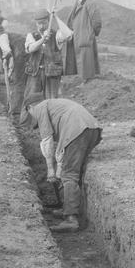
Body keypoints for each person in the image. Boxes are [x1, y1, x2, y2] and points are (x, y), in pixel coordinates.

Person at [20, 93, 102, 232]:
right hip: (92, 129)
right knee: (74, 170)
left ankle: (71, 219)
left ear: (29, 108)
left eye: (30, 119)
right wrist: (58, 169)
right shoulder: (55, 106)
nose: (34, 125)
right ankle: (70, 208)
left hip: (77, 130)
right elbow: (62, 152)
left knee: (69, 174)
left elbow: (47, 141)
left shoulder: (39, 108)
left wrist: (51, 170)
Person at [65, 0, 102, 83]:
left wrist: (90, 34)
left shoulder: (90, 3)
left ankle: (88, 82)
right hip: (78, 37)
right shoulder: (77, 3)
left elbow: (97, 22)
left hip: (85, 37)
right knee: (82, 62)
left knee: (87, 62)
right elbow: (72, 19)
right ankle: (85, 82)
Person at [23, 8, 64, 101]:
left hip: (52, 73)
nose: (41, 26)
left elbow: (68, 35)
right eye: (39, 23)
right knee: (30, 99)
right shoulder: (31, 35)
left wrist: (56, 17)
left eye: (44, 23)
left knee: (52, 100)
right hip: (35, 72)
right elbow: (30, 49)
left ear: (49, 21)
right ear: (35, 23)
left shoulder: (57, 34)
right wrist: (42, 40)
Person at [0, 25, 27, 116]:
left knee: (18, 82)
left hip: (21, 57)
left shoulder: (2, 37)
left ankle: (16, 108)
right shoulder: (7, 35)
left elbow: (7, 52)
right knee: (20, 81)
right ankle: (18, 106)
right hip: (23, 56)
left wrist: (6, 61)